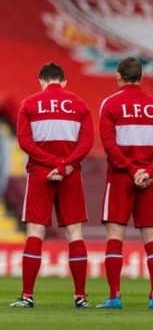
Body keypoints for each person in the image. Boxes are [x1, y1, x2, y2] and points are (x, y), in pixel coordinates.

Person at [11, 63, 93, 308]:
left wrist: (50, 164)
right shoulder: (79, 105)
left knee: (35, 233)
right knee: (75, 234)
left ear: (41, 80)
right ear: (64, 81)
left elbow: (25, 142)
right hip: (70, 174)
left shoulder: (29, 104)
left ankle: (27, 296)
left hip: (39, 174)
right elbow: (86, 142)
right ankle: (80, 297)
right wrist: (64, 164)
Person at [96, 57, 153, 309]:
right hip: (148, 181)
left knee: (115, 236)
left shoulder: (110, 104)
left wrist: (131, 170)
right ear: (140, 76)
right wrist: (148, 172)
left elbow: (109, 145)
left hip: (120, 179)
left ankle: (115, 296)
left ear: (118, 76)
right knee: (151, 237)